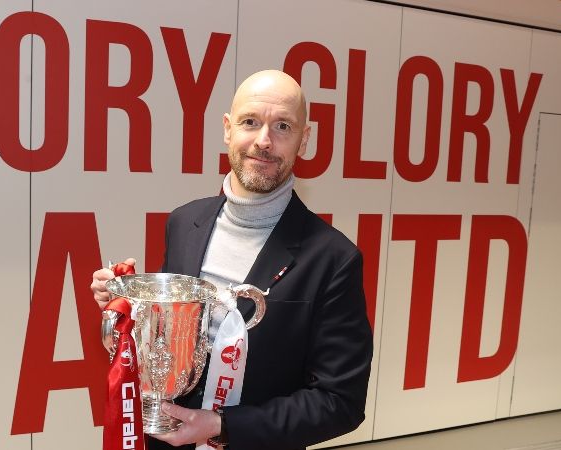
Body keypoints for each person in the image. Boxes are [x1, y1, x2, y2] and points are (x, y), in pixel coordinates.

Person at [91, 70, 373, 450]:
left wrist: (221, 426)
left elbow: (341, 402)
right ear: (227, 129)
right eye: (250, 122)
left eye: (283, 126)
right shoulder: (184, 222)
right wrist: (129, 306)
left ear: (304, 140)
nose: (263, 141)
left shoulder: (333, 258)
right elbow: (169, 342)